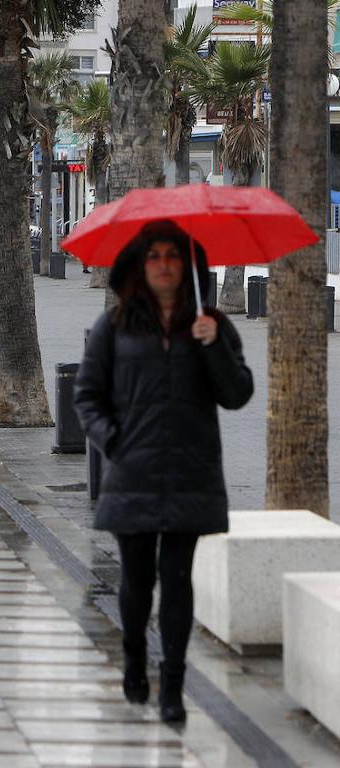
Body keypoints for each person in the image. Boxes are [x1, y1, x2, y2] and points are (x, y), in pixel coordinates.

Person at [74, 219, 253, 725]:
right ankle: (134, 655)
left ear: (188, 264)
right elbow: (87, 395)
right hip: (133, 473)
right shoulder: (117, 325)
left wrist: (213, 344)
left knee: (177, 581)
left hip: (190, 473)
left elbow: (237, 394)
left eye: (173, 256)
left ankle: (172, 682)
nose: (164, 265)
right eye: (153, 256)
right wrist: (115, 443)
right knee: (137, 579)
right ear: (139, 264)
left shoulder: (211, 322)